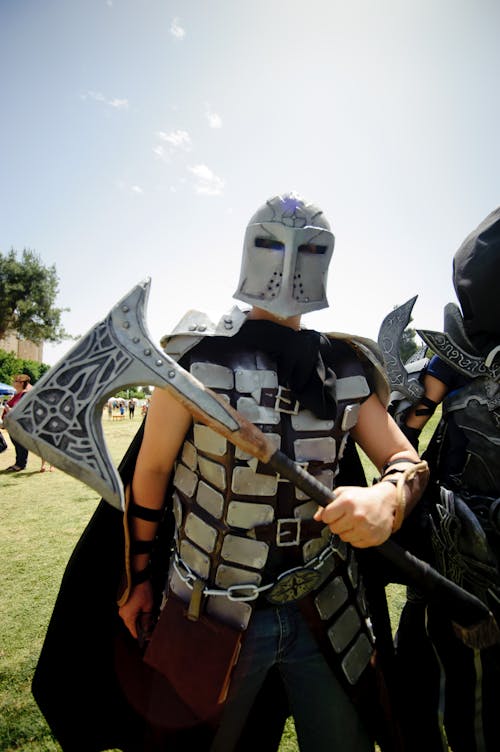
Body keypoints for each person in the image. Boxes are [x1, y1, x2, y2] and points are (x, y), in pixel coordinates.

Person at [116, 192, 429, 751]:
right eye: (271, 242)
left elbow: (406, 460)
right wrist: (137, 578)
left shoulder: (344, 365)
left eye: (310, 247)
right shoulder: (195, 360)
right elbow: (153, 474)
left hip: (328, 602)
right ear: (248, 250)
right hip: (208, 605)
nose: (288, 261)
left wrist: (389, 500)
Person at [394, 206, 500, 752]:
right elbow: (399, 434)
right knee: (433, 688)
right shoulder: (457, 355)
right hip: (452, 555)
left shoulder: (458, 357)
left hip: (468, 565)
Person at [2, 373, 31, 472]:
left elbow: (21, 411)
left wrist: (9, 409)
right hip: (12, 425)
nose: (13, 382)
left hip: (20, 424)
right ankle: (18, 463)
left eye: (15, 381)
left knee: (21, 445)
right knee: (17, 445)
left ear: (22, 383)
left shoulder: (25, 394)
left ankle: (21, 464)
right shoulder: (16, 395)